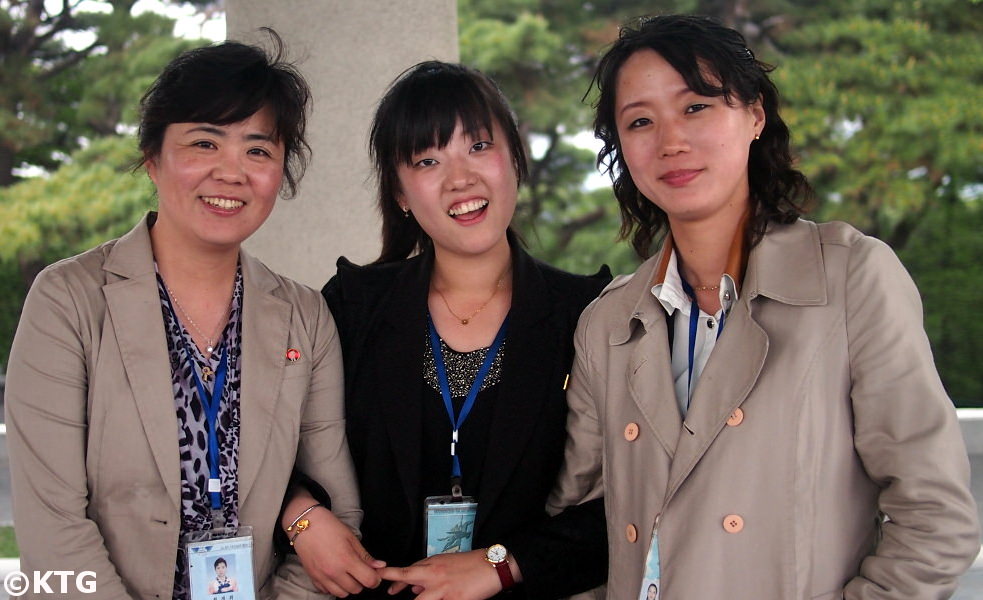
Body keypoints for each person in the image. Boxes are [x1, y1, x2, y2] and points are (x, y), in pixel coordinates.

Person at [542, 14, 980, 599]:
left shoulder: (851, 277)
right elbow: (577, 524)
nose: (670, 140)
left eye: (696, 106)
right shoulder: (609, 321)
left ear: (755, 115)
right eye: (640, 121)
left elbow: (934, 516)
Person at [4, 31, 378, 599]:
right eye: (205, 143)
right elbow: (52, 530)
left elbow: (337, 508)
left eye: (258, 149)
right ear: (153, 159)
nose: (232, 172)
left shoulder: (305, 315)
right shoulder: (69, 301)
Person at [280, 61, 611, 599]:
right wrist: (302, 517)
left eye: (479, 147)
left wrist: (502, 564)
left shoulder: (588, 314)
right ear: (402, 195)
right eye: (428, 160)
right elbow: (267, 443)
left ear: (514, 161)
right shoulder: (351, 308)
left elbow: (635, 497)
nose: (461, 179)